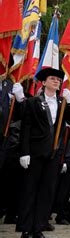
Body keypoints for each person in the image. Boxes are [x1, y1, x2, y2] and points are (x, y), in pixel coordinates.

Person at [17, 68, 70, 238]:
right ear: (43, 82)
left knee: (47, 192)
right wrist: (24, 152)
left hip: (54, 153)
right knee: (30, 191)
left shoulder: (62, 102)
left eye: (58, 79)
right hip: (34, 153)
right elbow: (25, 128)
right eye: (52, 79)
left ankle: (38, 228)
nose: (56, 81)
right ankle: (26, 228)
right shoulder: (34, 102)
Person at [0, 79, 26, 224]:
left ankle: (10, 212)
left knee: (12, 181)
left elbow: (23, 116)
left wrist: (21, 100)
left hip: (12, 144)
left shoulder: (14, 86)